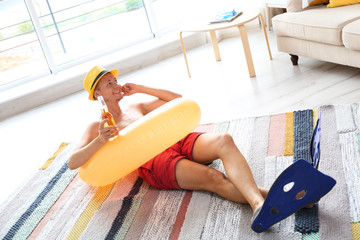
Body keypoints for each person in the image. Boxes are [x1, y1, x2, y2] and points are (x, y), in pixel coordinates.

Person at [68, 66, 270, 224]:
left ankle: (261, 203)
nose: (116, 85)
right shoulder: (97, 125)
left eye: (115, 81)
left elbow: (176, 100)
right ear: (97, 94)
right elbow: (72, 162)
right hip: (155, 162)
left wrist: (140, 89)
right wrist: (100, 140)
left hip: (173, 140)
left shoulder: (136, 105)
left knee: (224, 139)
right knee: (214, 177)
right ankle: (262, 202)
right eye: (108, 84)